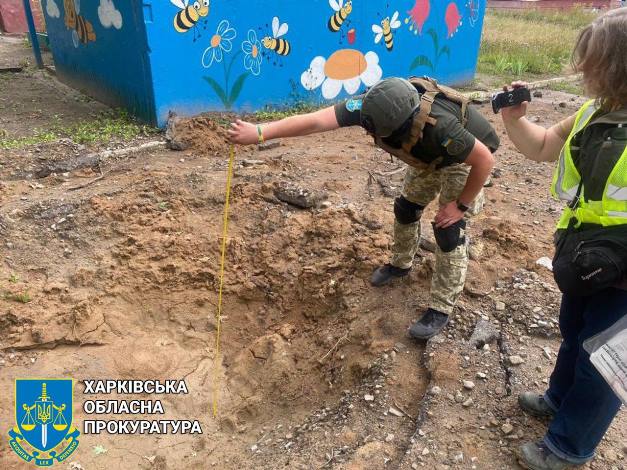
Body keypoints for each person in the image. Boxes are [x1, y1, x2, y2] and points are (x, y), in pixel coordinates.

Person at [229, 76, 499, 339]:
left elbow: (484, 160)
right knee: (406, 209)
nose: (369, 133)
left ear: (399, 126)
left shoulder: (441, 127)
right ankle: (401, 264)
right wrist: (260, 132)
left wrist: (460, 206)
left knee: (448, 230)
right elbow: (315, 121)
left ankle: (441, 307)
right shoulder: (371, 106)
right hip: (428, 159)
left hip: (463, 162)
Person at [500, 8, 627, 470]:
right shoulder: (597, 110)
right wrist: (514, 119)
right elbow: (540, 146)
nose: (584, 70)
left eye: (595, 61)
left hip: (624, 272)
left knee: (606, 365)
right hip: (585, 257)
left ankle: (570, 446)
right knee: (575, 335)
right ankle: (558, 398)